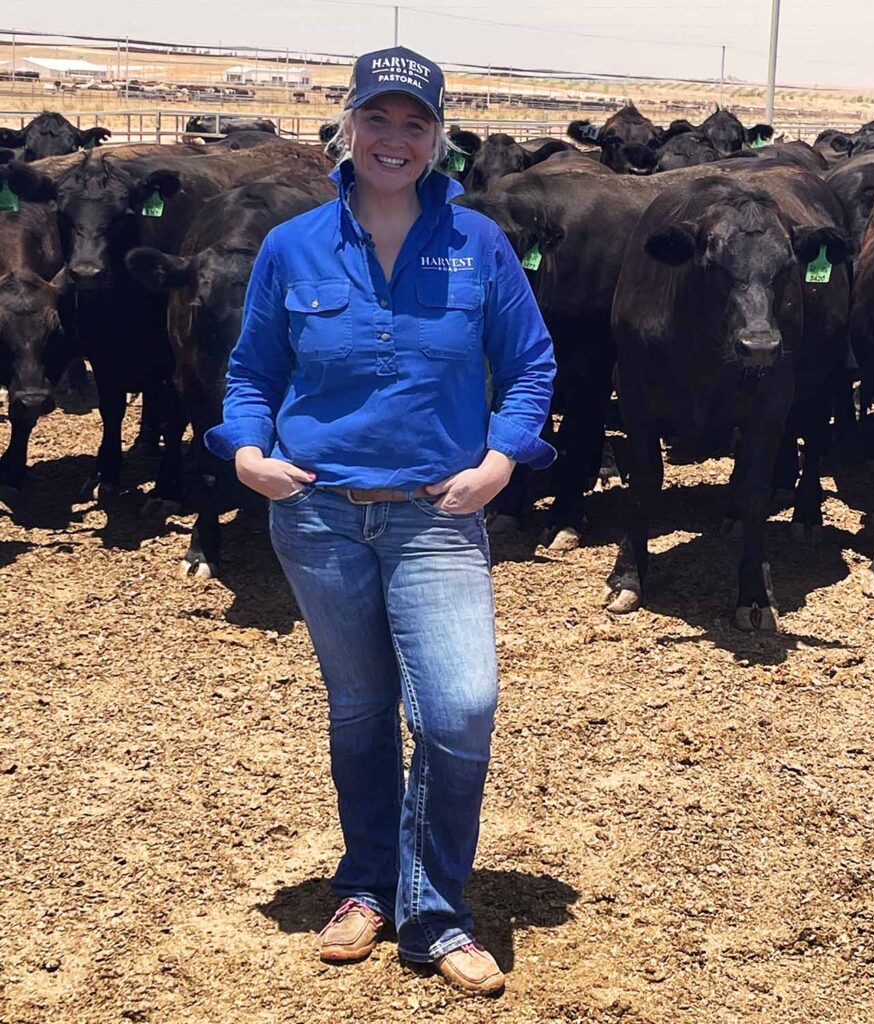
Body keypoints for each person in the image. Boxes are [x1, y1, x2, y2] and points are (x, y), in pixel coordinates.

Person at [205, 46, 556, 996]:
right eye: (378, 120)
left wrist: (498, 459)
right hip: (316, 516)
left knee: (460, 704)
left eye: (415, 124)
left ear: (438, 141)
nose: (393, 139)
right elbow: (252, 374)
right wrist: (243, 450)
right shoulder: (294, 246)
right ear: (347, 128)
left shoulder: (478, 244)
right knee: (361, 710)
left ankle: (436, 911)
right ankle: (366, 887)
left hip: (438, 514)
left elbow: (530, 367)